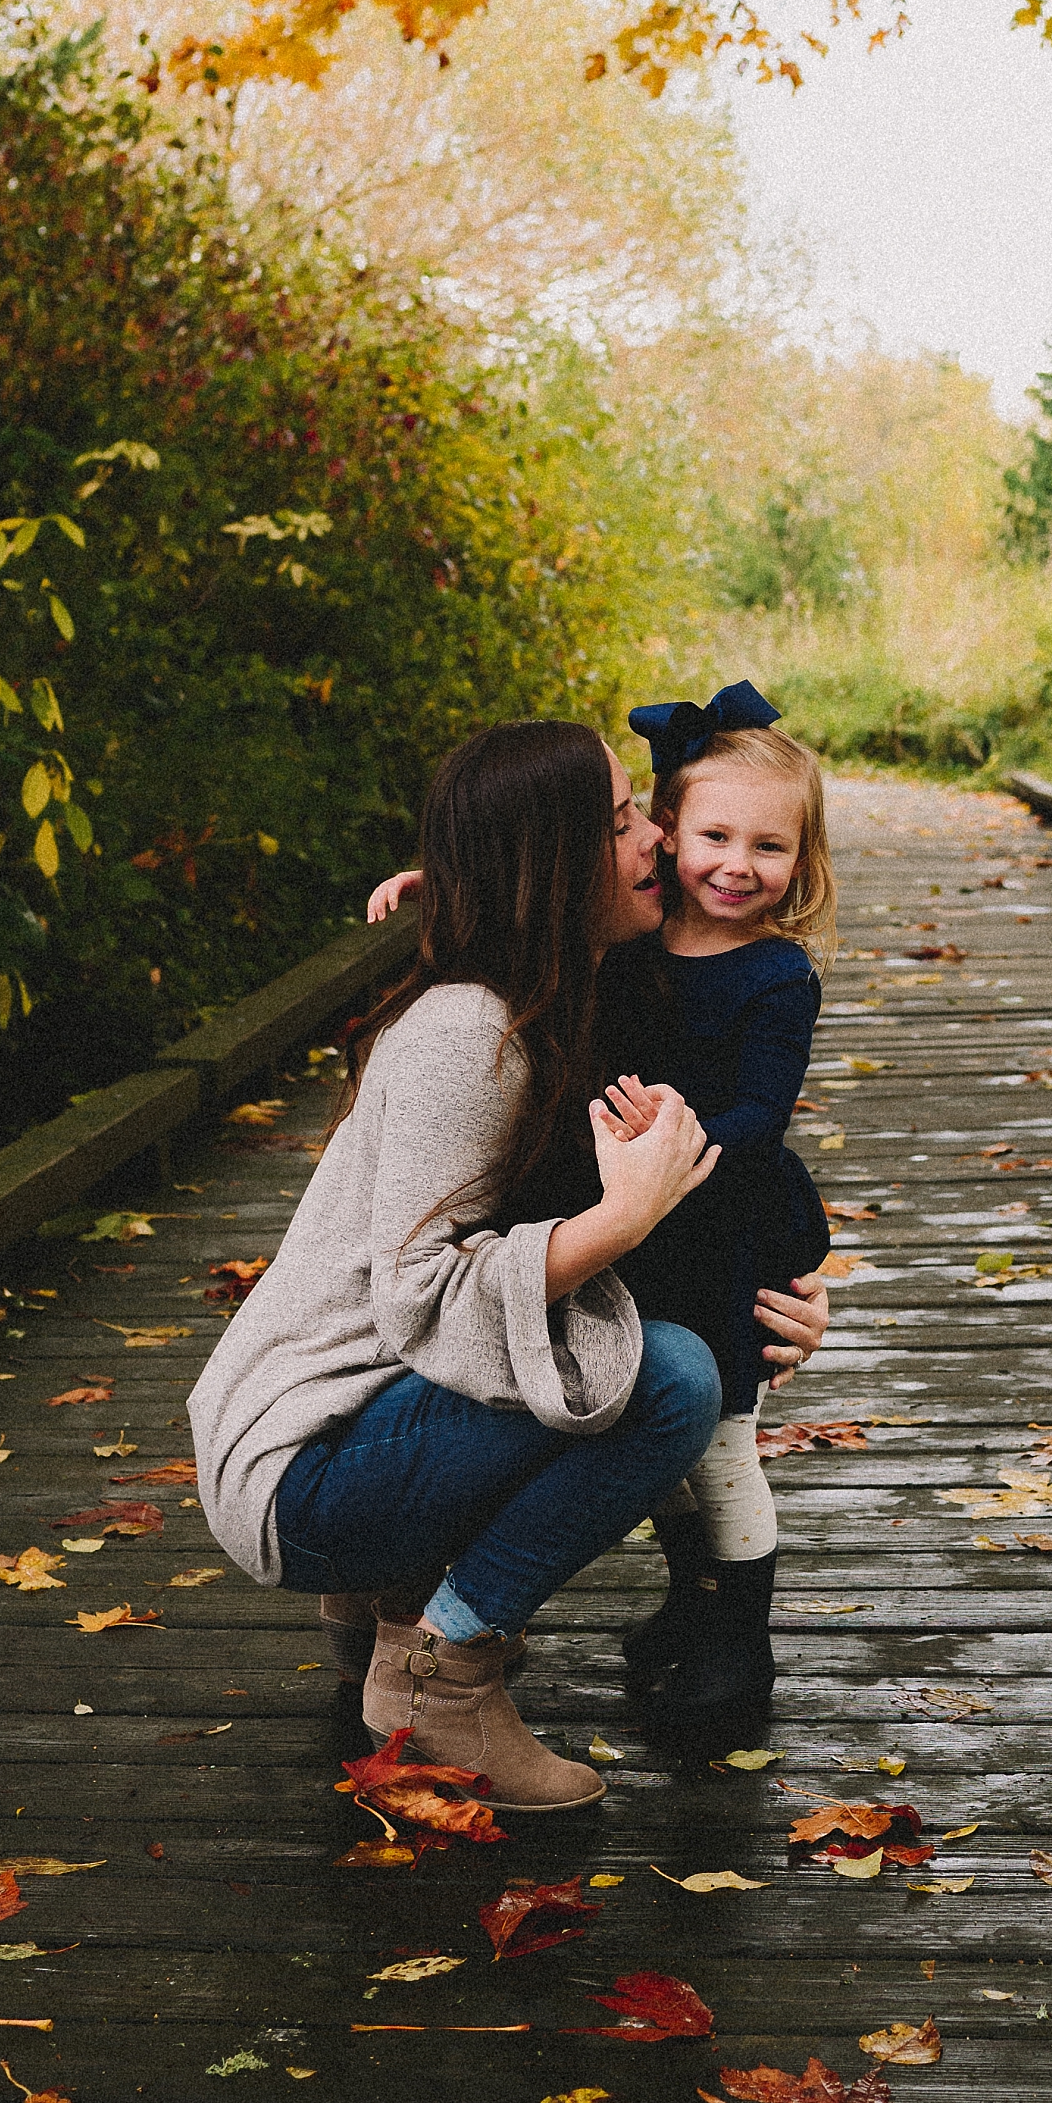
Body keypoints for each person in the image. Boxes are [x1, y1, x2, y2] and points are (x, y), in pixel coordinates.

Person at [189, 721, 828, 1811]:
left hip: (357, 1423)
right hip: (299, 1467)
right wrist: (625, 1222)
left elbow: (725, 1136)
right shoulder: (467, 1037)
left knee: (659, 1353)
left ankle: (389, 1618)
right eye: (629, 820)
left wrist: (787, 1275)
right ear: (562, 863)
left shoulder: (567, 989)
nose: (659, 839)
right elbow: (422, 1293)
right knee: (666, 1378)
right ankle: (444, 1671)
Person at [609, 684, 835, 1742]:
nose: (738, 864)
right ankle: (690, 1599)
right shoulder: (629, 944)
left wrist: (675, 1128)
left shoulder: (777, 974)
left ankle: (742, 1639)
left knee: (724, 1439)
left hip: (726, 1223)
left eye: (770, 844)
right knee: (663, 1428)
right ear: (665, 830)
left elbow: (762, 1110)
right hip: (638, 1226)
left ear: (803, 857)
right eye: (713, 834)